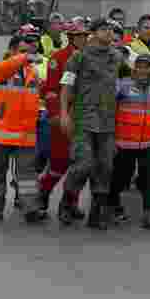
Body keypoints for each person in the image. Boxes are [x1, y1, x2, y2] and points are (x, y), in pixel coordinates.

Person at [58, 19, 129, 229]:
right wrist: (64, 113)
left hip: (108, 121)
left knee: (105, 166)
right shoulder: (79, 57)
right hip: (83, 118)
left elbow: (134, 76)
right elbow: (66, 87)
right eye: (104, 29)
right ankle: (67, 202)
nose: (108, 33)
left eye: (111, 30)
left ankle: (97, 213)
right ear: (93, 33)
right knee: (83, 164)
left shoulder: (117, 57)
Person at [0, 35, 46, 222]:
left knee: (28, 175)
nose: (26, 55)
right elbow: (5, 69)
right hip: (1, 133)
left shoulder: (32, 73)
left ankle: (31, 209)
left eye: (28, 52)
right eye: (21, 51)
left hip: (25, 133)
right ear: (11, 51)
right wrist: (24, 58)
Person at [37, 21, 90, 218]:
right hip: (63, 117)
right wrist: (55, 115)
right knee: (59, 163)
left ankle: (69, 204)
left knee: (81, 165)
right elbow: (50, 90)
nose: (83, 39)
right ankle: (42, 195)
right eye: (79, 36)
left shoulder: (91, 58)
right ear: (70, 37)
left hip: (85, 118)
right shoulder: (58, 58)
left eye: (86, 36)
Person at [108, 54, 150, 229]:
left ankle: (149, 214)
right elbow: (109, 107)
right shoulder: (122, 85)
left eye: (147, 67)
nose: (143, 70)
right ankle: (113, 205)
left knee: (149, 178)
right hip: (124, 142)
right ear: (134, 68)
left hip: (149, 143)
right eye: (139, 66)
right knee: (121, 177)